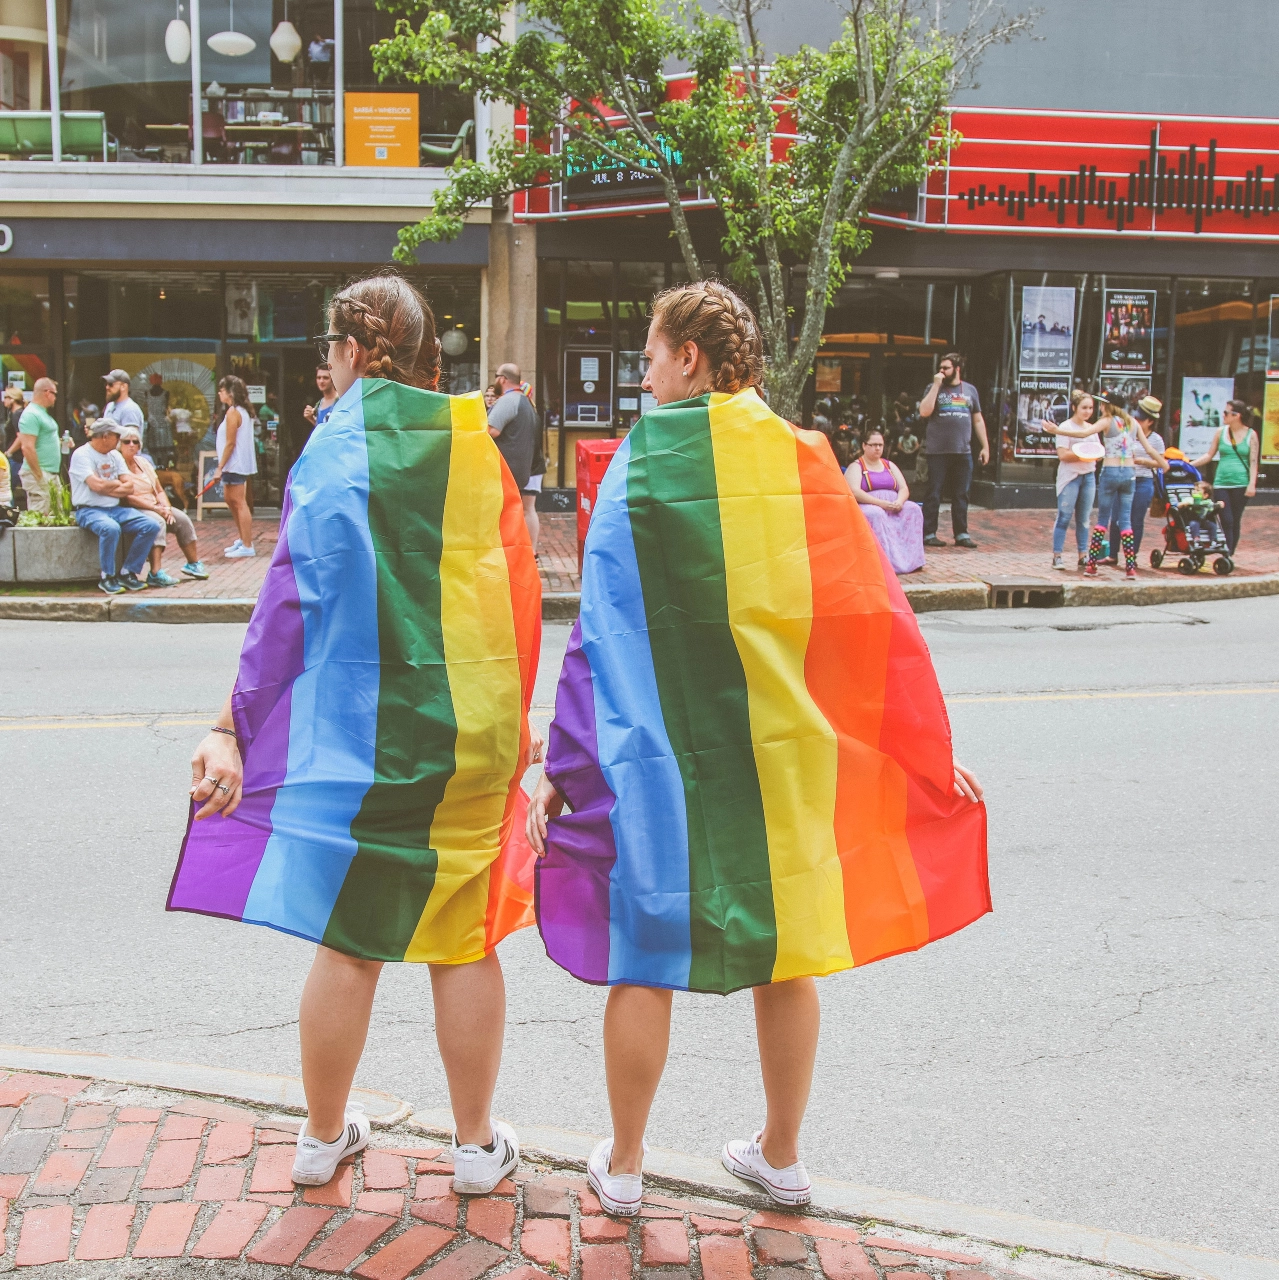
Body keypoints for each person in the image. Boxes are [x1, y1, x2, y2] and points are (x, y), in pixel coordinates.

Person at [527, 280, 987, 1218]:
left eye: (651, 357)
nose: (645, 377)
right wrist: (915, 751)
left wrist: (568, 767)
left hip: (658, 761)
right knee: (785, 952)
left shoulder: (640, 467)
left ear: (687, 357)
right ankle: (780, 1155)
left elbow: (600, 636)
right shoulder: (802, 458)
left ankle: (621, 1164)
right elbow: (866, 624)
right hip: (779, 755)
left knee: (643, 953)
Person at [171, 272, 543, 1196]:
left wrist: (234, 725)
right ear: (423, 356)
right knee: (462, 935)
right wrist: (516, 715)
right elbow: (513, 595)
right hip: (463, 726)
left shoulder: (332, 452)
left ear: (349, 350)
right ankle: (471, 1147)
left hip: (351, 734)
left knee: (348, 938)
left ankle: (321, 1137)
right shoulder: (472, 446)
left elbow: (287, 606)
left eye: (327, 352)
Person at [68, 420, 163, 595]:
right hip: (89, 509)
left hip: (115, 509)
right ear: (105, 436)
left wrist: (106, 486)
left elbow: (129, 486)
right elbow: (95, 485)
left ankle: (128, 572)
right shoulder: (82, 455)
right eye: (117, 436)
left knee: (150, 525)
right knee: (110, 528)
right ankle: (107, 576)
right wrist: (115, 484)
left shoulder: (115, 455)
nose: (120, 440)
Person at [117, 426, 209, 584]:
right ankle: (155, 572)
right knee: (157, 522)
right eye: (127, 441)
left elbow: (159, 489)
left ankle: (193, 563)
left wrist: (166, 507)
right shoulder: (118, 465)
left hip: (155, 504)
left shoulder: (143, 462)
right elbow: (127, 497)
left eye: (135, 442)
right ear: (120, 445)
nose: (131, 445)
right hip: (136, 507)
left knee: (182, 519)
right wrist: (156, 509)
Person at [1085, 395, 1161, 579]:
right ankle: (1130, 567)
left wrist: (1058, 430)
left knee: (1103, 519)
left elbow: (1084, 433)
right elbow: (1149, 449)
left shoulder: (1107, 421)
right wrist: (1163, 464)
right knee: (1126, 521)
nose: (1101, 407)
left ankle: (1092, 565)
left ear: (1108, 406)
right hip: (1129, 474)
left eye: (1102, 404)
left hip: (1111, 471)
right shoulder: (1132, 423)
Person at [918, 352, 989, 548]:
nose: (941, 371)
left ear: (957, 369)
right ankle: (929, 532)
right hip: (937, 451)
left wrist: (985, 446)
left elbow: (977, 419)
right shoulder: (933, 388)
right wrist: (936, 385)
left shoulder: (970, 390)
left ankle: (961, 533)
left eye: (946, 368)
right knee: (934, 492)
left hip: (962, 450)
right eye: (940, 367)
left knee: (961, 493)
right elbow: (924, 412)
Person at [846, 427, 925, 574]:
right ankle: (883, 563)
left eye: (880, 445)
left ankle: (912, 560)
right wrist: (881, 504)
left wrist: (899, 502)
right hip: (870, 504)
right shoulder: (857, 466)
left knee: (913, 509)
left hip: (893, 505)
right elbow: (855, 491)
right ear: (864, 446)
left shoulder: (889, 465)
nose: (877, 448)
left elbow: (903, 488)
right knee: (875, 514)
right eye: (873, 445)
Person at [1190, 398, 1258, 555]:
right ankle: (1225, 552)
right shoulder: (1220, 432)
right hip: (1221, 482)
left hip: (1241, 483)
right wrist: (1189, 465)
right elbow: (1209, 454)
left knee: (1235, 519)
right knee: (1226, 519)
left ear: (1237, 415)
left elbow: (1253, 462)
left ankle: (1229, 553)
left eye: (1227, 413)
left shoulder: (1251, 434)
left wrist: (1252, 484)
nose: (1224, 415)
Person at [1108, 396, 1166, 562]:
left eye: (1141, 419)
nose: (1136, 421)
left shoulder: (1156, 440)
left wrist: (1144, 461)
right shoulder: (1127, 433)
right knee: (1117, 517)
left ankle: (1131, 555)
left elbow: (1160, 463)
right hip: (1125, 477)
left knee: (1136, 519)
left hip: (1143, 480)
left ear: (1150, 422)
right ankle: (1113, 554)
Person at [1049, 391, 1103, 571]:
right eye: (1084, 408)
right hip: (1070, 476)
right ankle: (1057, 555)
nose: (1087, 412)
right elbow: (1063, 454)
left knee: (1084, 518)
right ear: (1074, 408)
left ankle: (1083, 555)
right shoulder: (1065, 427)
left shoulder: (1091, 429)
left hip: (1088, 475)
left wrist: (1095, 455)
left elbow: (1097, 452)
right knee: (1064, 516)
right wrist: (1084, 454)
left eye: (1090, 408)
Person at [212, 375, 258, 558]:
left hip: (234, 463)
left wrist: (219, 467)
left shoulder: (234, 412)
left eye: (222, 390)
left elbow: (230, 443)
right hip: (234, 463)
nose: (219, 394)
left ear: (230, 393)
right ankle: (243, 539)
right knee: (230, 500)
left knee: (238, 502)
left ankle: (247, 544)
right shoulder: (238, 411)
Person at [487, 363, 537, 494]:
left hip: (504, 472)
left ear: (502, 379)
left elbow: (491, 431)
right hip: (519, 472)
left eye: (496, 376)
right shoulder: (526, 401)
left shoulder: (508, 400)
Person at [17, 377, 62, 515]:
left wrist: (61, 442)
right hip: (40, 473)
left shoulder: (42, 413)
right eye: (55, 394)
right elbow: (27, 447)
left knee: (58, 515)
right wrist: (39, 477)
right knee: (41, 517)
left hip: (51, 473)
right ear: (47, 393)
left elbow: (44, 440)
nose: (55, 398)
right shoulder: (31, 414)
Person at [102, 369, 146, 439]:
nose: (107, 387)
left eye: (111, 384)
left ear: (123, 387)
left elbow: (131, 439)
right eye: (106, 384)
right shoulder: (109, 406)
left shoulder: (130, 408)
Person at [144, 374, 176, 466]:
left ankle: (163, 466)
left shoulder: (165, 393)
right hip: (156, 425)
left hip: (160, 424)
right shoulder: (148, 393)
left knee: (162, 451)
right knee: (156, 450)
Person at [303, 363, 339, 431]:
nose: (321, 381)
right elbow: (321, 430)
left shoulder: (341, 400)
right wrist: (311, 418)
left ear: (333, 379)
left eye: (325, 378)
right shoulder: (319, 403)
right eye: (319, 378)